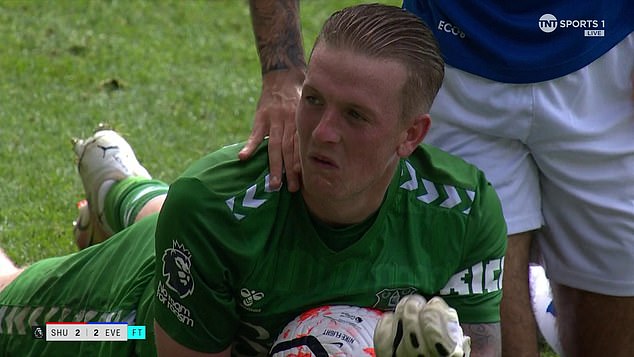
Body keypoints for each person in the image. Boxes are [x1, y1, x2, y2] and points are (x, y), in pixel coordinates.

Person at [0, 4, 506, 356]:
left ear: (410, 135)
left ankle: (124, 189)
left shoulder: (464, 211)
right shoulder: (215, 206)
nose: (322, 133)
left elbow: (479, 348)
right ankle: (122, 199)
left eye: (355, 116)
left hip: (206, 256)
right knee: (11, 309)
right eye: (314, 100)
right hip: (128, 324)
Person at [242, 1, 634, 356]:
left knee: (607, 333)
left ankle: (541, 289)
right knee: (486, 327)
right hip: (453, 67)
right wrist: (282, 71)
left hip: (605, 56)